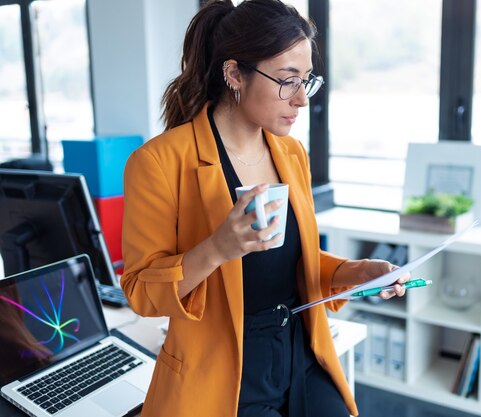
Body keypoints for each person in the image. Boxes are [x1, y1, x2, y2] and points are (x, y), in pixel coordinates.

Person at [121, 1, 409, 416]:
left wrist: (355, 273)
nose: (301, 100)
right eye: (287, 81)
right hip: (224, 371)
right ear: (234, 73)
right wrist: (218, 248)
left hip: (299, 350)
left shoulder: (291, 153)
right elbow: (141, 295)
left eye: (306, 81)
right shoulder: (159, 162)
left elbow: (293, 263)